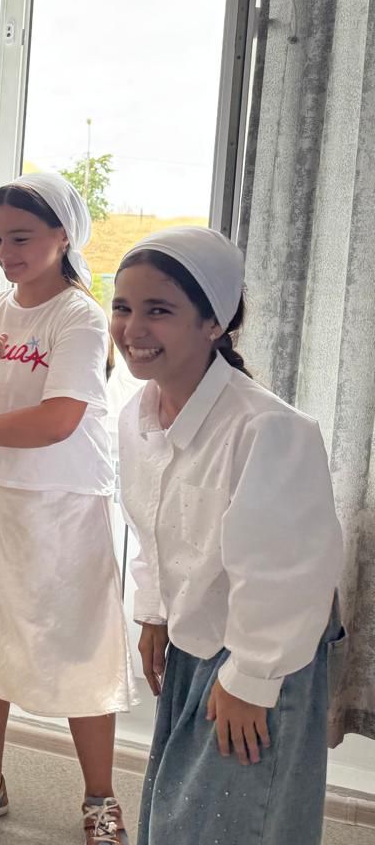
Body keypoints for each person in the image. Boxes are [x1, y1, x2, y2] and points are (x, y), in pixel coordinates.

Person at [0, 173, 134, 842]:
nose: (4, 251)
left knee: (79, 648)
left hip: (67, 506)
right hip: (1, 503)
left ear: (62, 236)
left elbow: (58, 420)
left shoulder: (79, 316)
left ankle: (100, 800)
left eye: (21, 237)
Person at [112, 226, 344, 845]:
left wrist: (253, 679)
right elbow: (151, 527)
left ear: (213, 323)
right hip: (196, 634)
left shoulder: (269, 429)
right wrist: (154, 612)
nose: (133, 328)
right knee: (178, 813)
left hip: (261, 650)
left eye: (159, 310)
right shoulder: (137, 417)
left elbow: (291, 574)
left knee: (235, 822)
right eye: (123, 307)